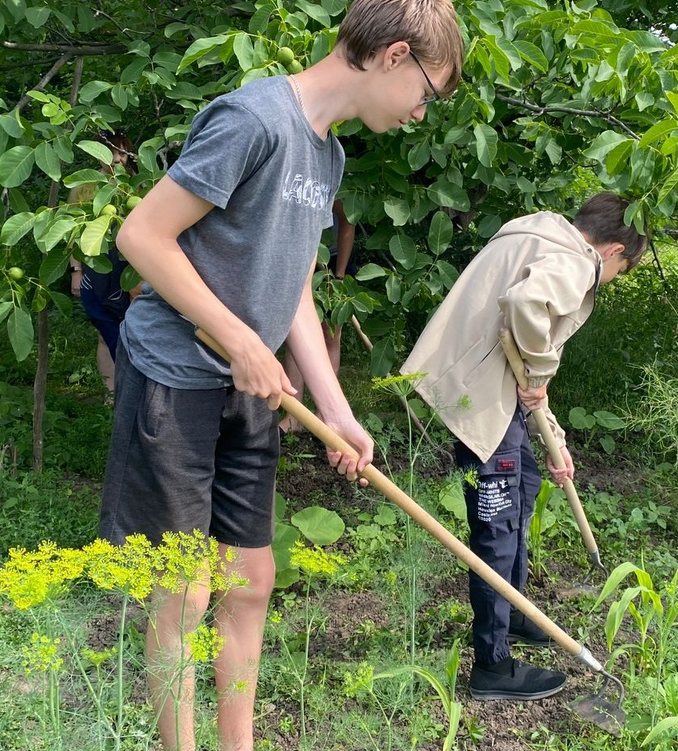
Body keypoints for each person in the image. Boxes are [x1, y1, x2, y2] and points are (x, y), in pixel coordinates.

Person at [101, 1, 463, 749]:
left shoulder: (325, 154)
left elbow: (292, 284)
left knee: (251, 581)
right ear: (395, 56)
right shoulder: (253, 120)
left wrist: (336, 411)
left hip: (250, 386)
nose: (423, 112)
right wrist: (238, 338)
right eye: (428, 93)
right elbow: (142, 235)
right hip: (177, 373)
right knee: (186, 590)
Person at [401, 192, 649, 701]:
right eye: (621, 271)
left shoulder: (538, 235)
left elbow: (526, 372)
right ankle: (491, 664)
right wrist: (541, 372)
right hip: (481, 401)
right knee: (497, 529)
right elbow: (525, 312)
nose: (612, 279)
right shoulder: (574, 262)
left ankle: (513, 612)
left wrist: (554, 437)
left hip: (482, 387)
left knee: (527, 484)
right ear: (615, 251)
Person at [69, 132, 141, 395]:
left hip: (131, 269)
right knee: (103, 330)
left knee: (133, 329)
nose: (117, 158)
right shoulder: (83, 186)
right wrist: (75, 270)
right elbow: (73, 232)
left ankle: (134, 389)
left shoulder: (138, 186)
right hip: (97, 268)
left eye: (122, 152)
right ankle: (111, 392)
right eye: (111, 152)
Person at [280, 198, 356, 433]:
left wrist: (339, 276)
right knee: (298, 334)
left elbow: (347, 224)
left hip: (334, 261)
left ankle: (327, 415)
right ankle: (294, 416)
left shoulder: (338, 184)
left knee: (330, 334)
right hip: (303, 256)